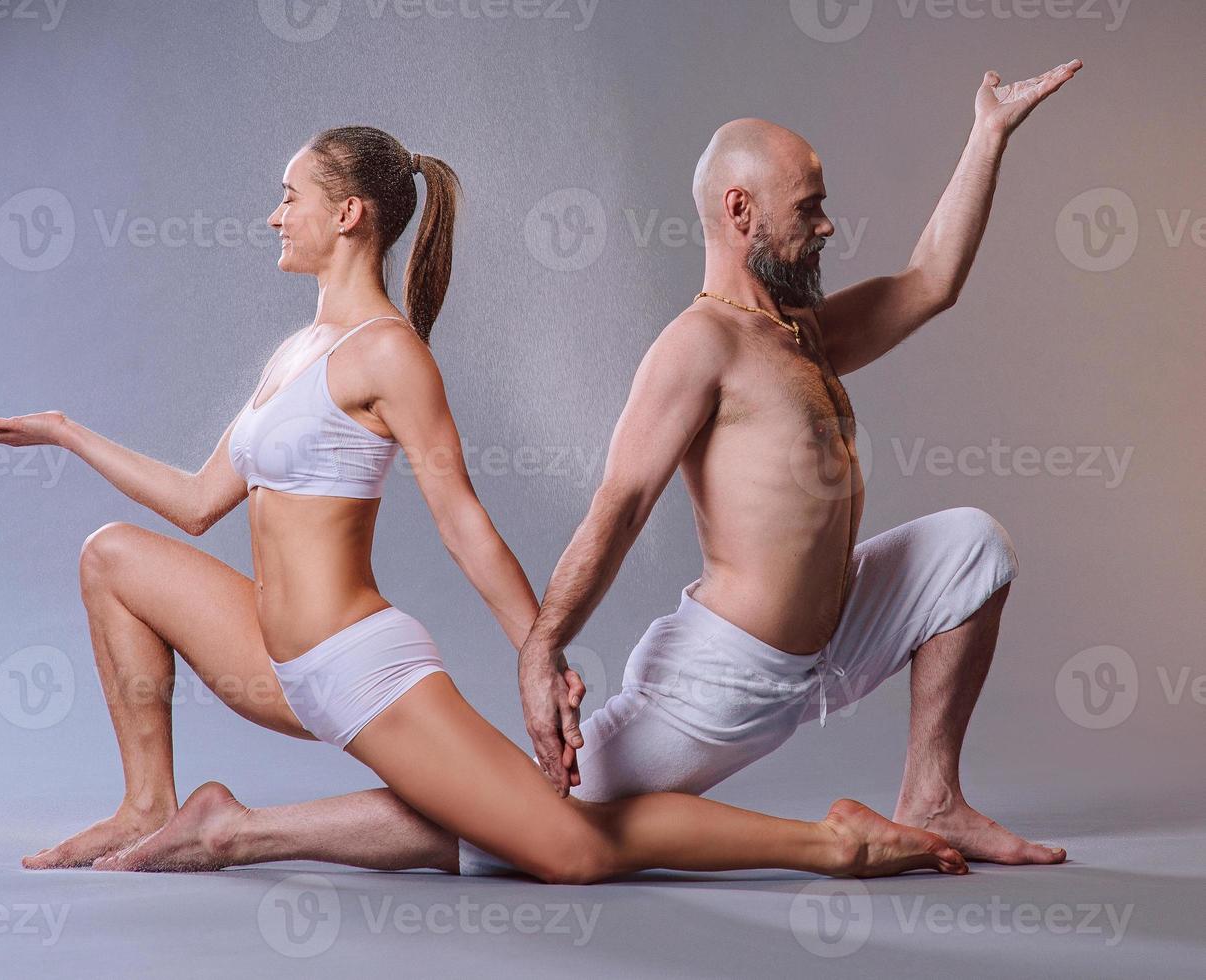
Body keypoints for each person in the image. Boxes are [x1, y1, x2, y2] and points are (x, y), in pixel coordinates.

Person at [90, 61, 1079, 879]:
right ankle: (240, 827)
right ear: (740, 212)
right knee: (525, 830)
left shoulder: (802, 332)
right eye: (808, 208)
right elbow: (614, 507)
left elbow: (929, 283)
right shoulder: (698, 346)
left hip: (834, 634)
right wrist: (541, 647)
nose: (824, 226)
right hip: (721, 678)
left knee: (968, 545)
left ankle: (932, 789)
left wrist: (985, 134)